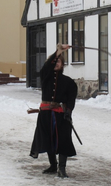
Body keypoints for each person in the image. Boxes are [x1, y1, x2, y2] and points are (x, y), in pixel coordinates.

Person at [30, 43, 78, 178]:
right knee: (47, 139)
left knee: (63, 140)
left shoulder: (69, 82)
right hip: (45, 113)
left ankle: (62, 168)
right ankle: (53, 165)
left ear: (63, 65)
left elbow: (71, 98)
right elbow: (47, 67)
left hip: (60, 115)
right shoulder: (46, 77)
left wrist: (68, 110)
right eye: (55, 61)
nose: (56, 63)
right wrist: (58, 52)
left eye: (59, 62)